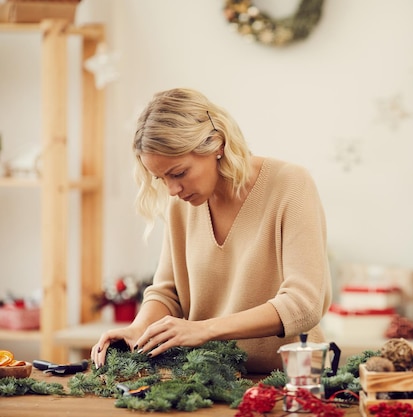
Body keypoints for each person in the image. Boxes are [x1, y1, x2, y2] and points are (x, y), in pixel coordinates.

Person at [91, 88, 332, 373]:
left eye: (179, 173)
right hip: (208, 380)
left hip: (293, 380)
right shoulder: (182, 203)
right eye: (161, 178)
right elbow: (168, 293)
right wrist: (138, 328)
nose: (172, 190)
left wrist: (204, 330)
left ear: (216, 144)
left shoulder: (290, 185)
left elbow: (304, 305)